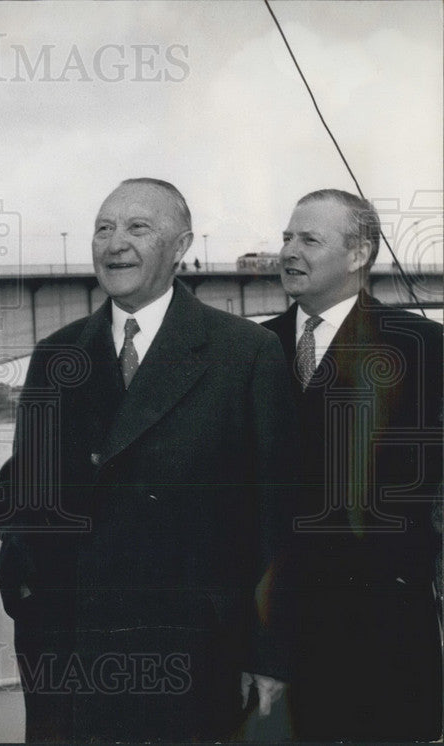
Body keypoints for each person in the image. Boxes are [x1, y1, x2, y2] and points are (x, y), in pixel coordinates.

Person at [0, 178, 298, 741]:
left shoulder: (245, 352)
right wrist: (26, 588)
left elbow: (277, 516)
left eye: (138, 228)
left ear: (181, 246)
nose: (115, 244)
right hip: (67, 650)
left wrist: (267, 650)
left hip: (193, 652)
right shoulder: (56, 354)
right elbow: (18, 488)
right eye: (103, 228)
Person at [263, 189, 442, 740]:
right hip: (269, 638)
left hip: (384, 634)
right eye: (287, 237)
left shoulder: (423, 347)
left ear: (359, 253)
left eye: (309, 239)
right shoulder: (248, 349)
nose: (289, 251)